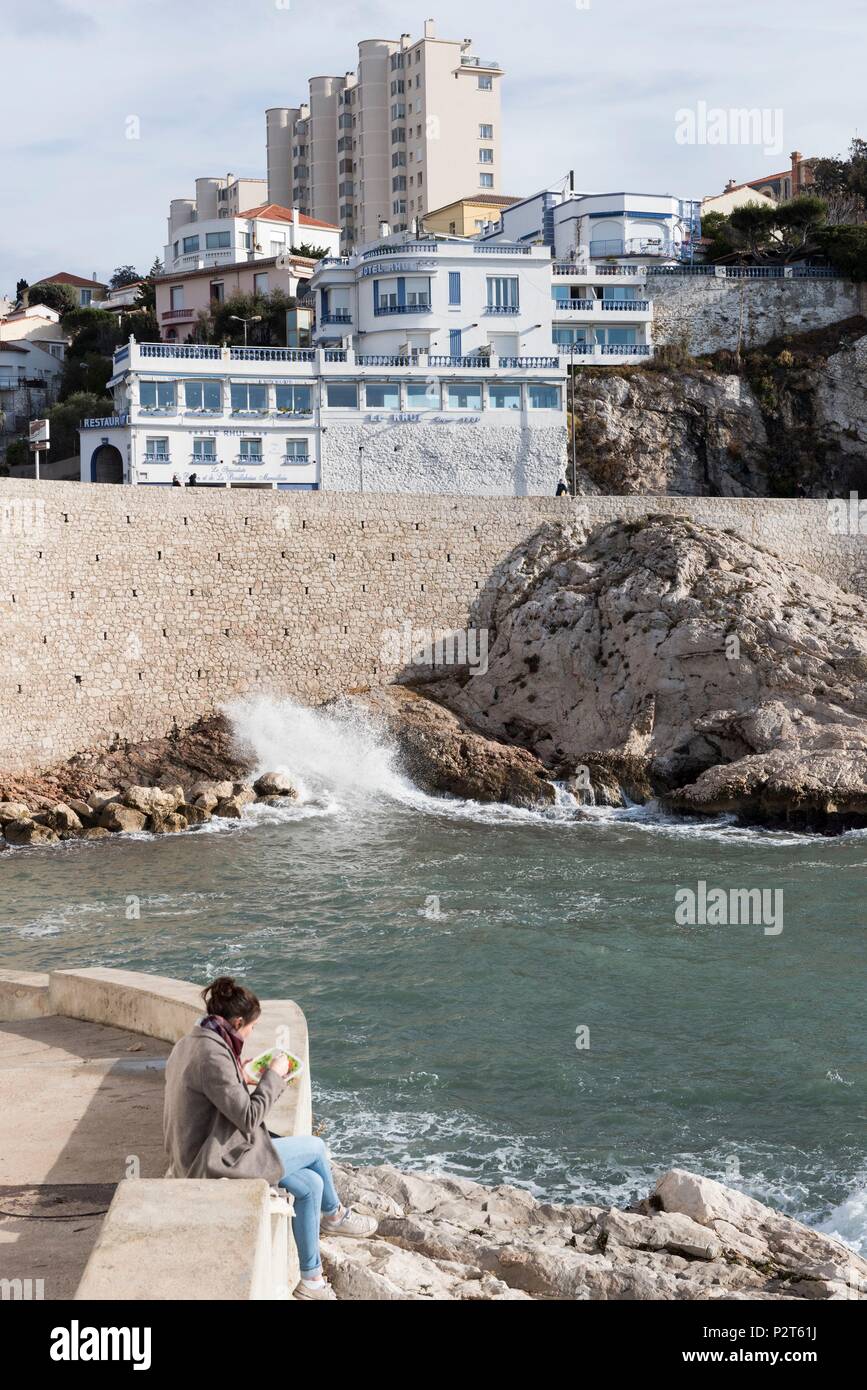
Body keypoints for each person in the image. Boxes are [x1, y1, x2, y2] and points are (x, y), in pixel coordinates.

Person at [163, 975, 378, 1300]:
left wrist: (243, 1074)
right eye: (251, 1028)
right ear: (237, 1022)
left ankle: (312, 1282)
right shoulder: (212, 1057)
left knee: (311, 1187)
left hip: (202, 1148)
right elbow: (249, 1116)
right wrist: (274, 1078)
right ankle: (335, 1216)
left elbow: (214, 1092)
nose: (251, 1034)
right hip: (210, 1162)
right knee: (316, 1147)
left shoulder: (195, 1041)